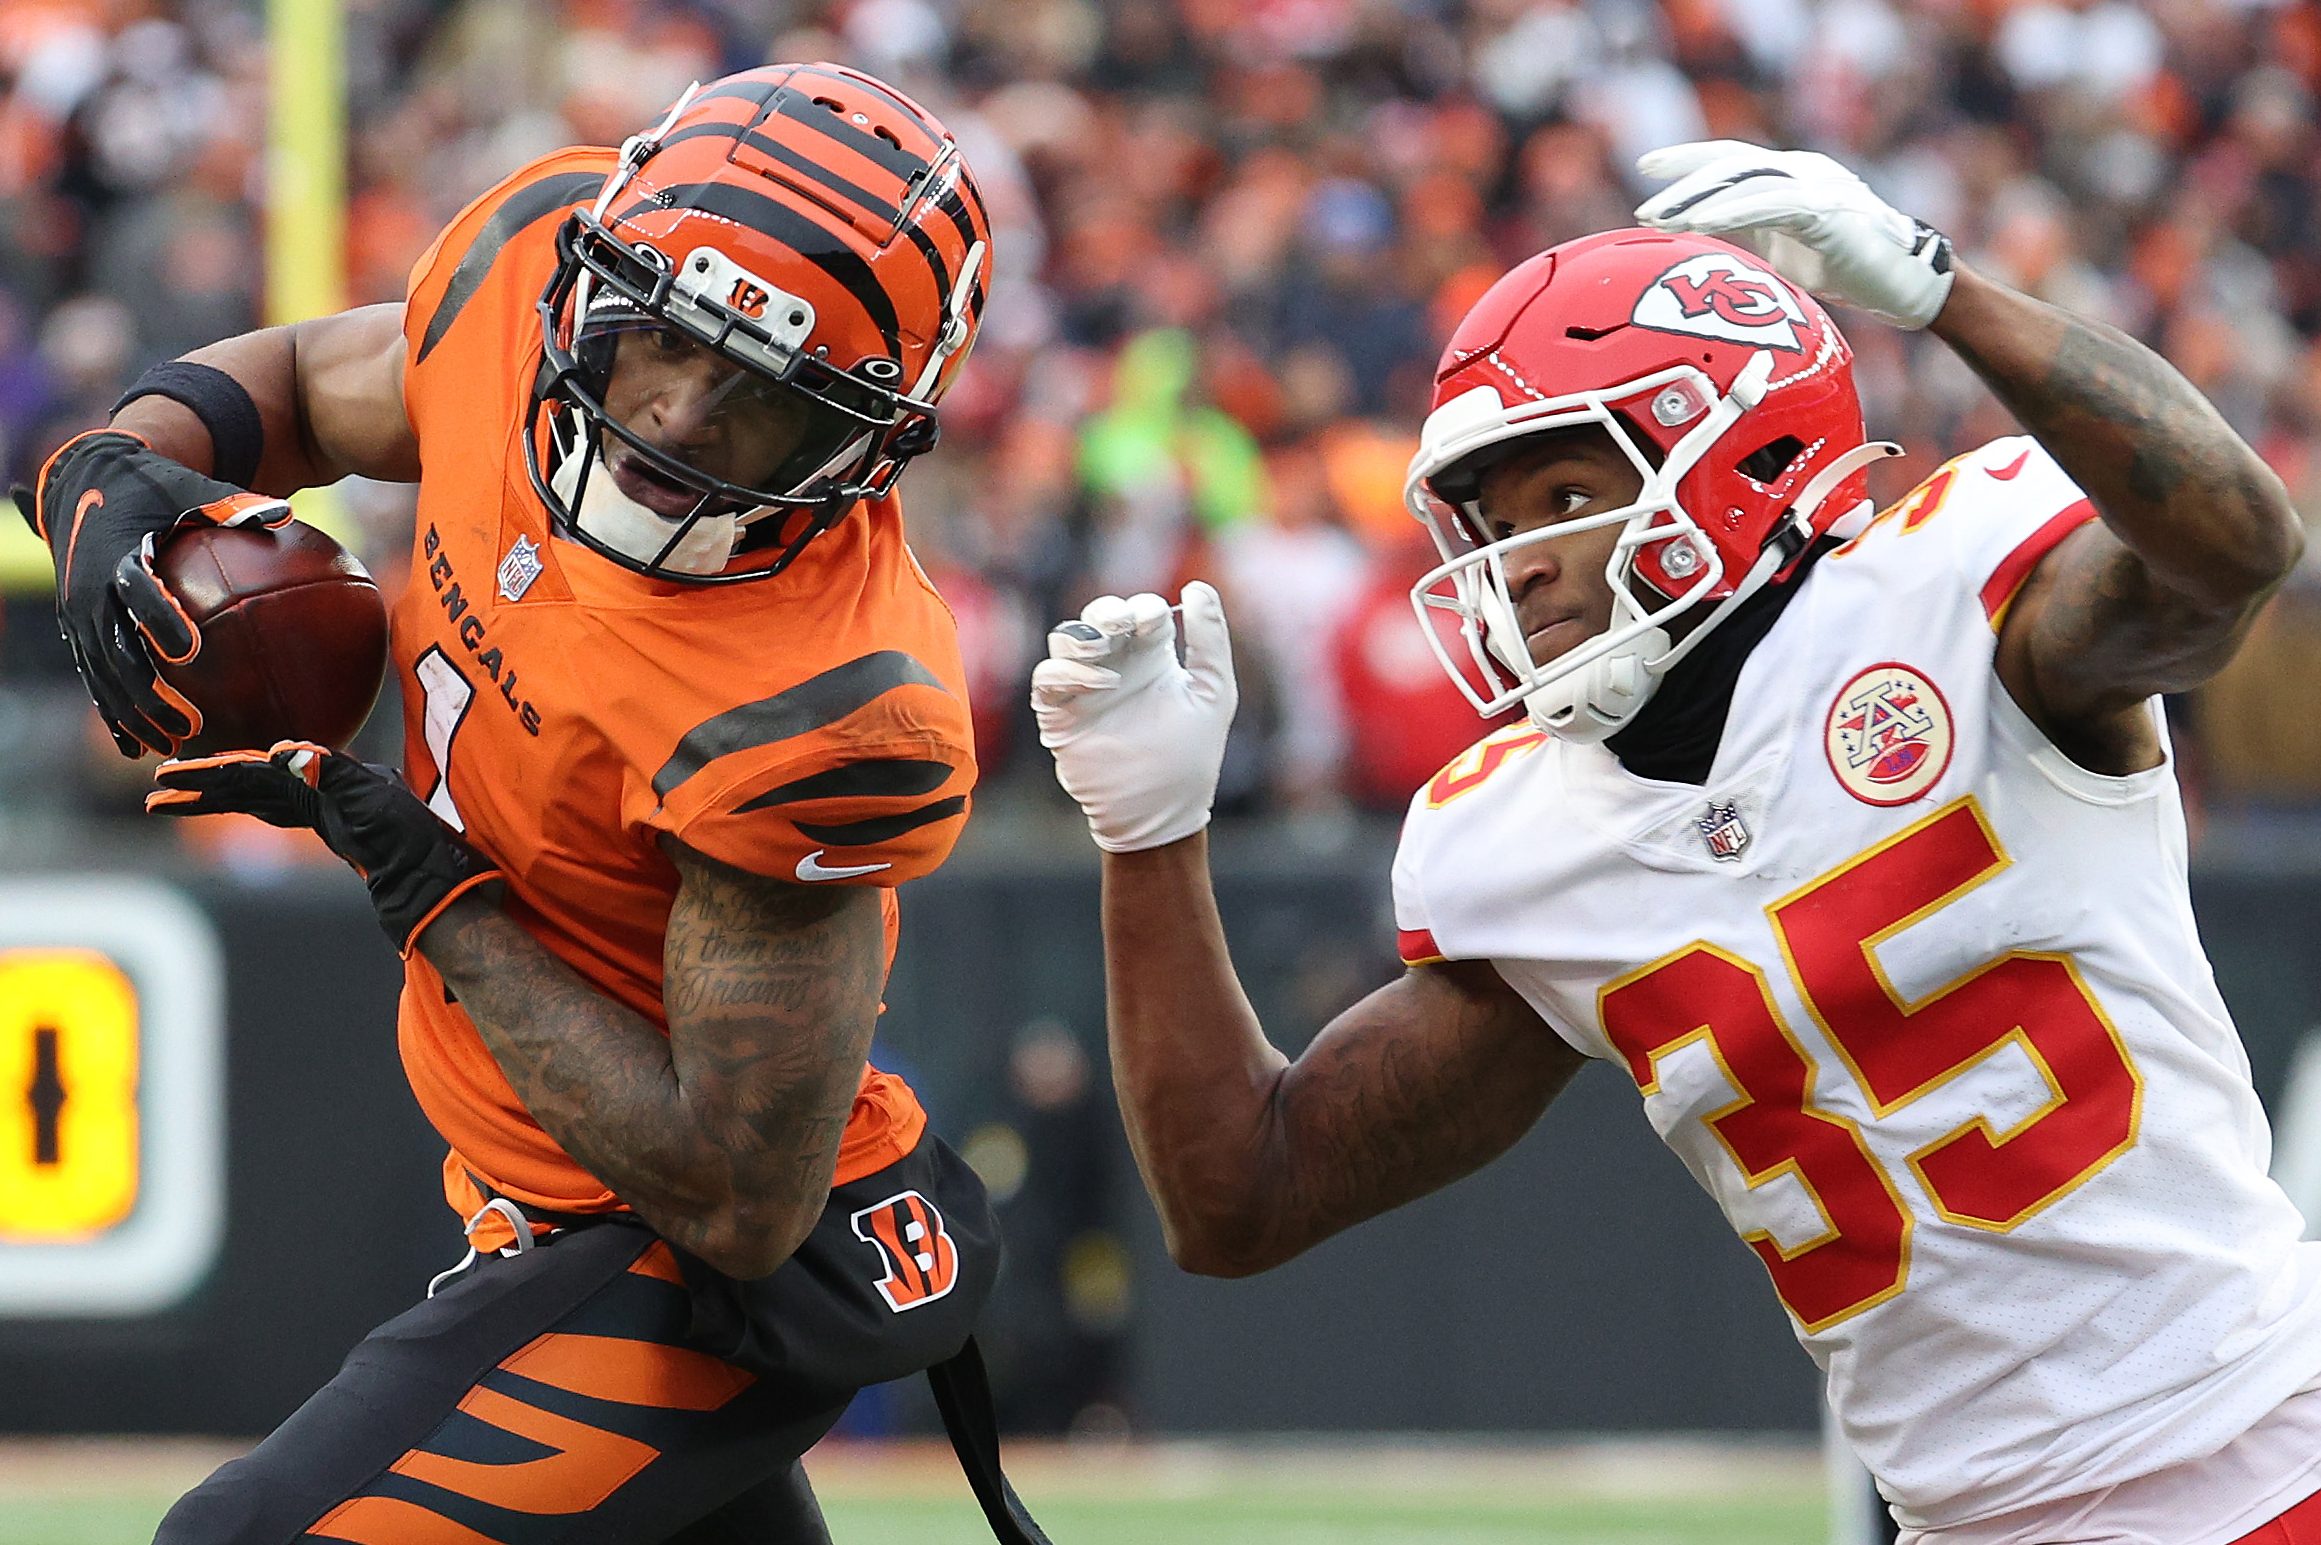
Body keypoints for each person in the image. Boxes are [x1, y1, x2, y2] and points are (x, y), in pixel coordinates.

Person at [1033, 140, 2321, 1544]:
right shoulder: (1527, 837)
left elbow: (2234, 547)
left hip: (2260, 1448)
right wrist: (1148, 832)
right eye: (1490, 516)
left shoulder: (1960, 611)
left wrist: (1945, 296)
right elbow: (1242, 1195)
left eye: (1561, 495)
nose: (1511, 559)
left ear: (1741, 454)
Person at [21, 63, 1047, 1545]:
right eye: (657, 345)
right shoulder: (524, 274)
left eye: (761, 400)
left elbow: (733, 1195)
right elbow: (316, 381)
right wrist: (116, 470)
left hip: (688, 1271)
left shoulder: (826, 700)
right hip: (534, 1202)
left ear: (862, 440)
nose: (674, 419)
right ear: (599, 284)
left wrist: (423, 878)